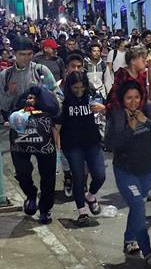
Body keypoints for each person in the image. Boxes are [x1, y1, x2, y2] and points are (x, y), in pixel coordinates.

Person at [105, 79, 151, 267]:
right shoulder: (117, 115)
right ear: (122, 99)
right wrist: (130, 128)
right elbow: (110, 145)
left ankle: (128, 240)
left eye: (136, 98)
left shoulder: (148, 109)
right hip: (126, 172)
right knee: (138, 207)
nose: (133, 102)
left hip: (147, 171)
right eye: (128, 98)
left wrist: (147, 121)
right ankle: (148, 253)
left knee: (136, 208)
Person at [55, 71, 106, 227]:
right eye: (75, 88)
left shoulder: (90, 97)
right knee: (78, 177)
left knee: (99, 175)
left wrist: (102, 108)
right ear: (70, 87)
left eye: (81, 87)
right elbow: (56, 125)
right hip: (72, 144)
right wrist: (58, 147)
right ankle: (82, 212)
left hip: (92, 141)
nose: (79, 91)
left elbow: (104, 108)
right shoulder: (63, 102)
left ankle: (90, 196)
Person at [8, 86, 60, 224]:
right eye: (29, 98)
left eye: (34, 98)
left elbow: (57, 105)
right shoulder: (8, 76)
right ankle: (31, 195)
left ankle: (45, 210)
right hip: (20, 143)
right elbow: (6, 104)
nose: (31, 100)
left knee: (48, 178)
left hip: (45, 144)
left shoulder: (44, 75)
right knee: (22, 172)